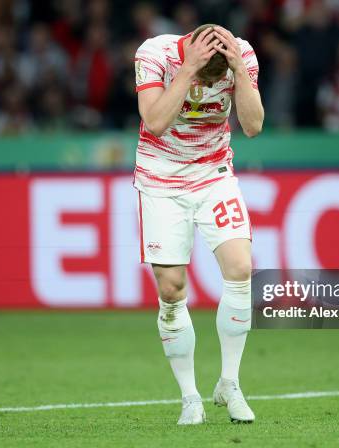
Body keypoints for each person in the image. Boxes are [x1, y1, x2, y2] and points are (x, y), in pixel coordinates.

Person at [134, 24, 264, 425]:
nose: (212, 86)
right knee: (172, 289)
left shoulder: (242, 55)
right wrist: (189, 70)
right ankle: (190, 397)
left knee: (241, 268)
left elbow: (254, 125)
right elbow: (153, 122)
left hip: (214, 175)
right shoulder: (153, 54)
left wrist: (240, 73)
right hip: (161, 178)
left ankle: (230, 382)